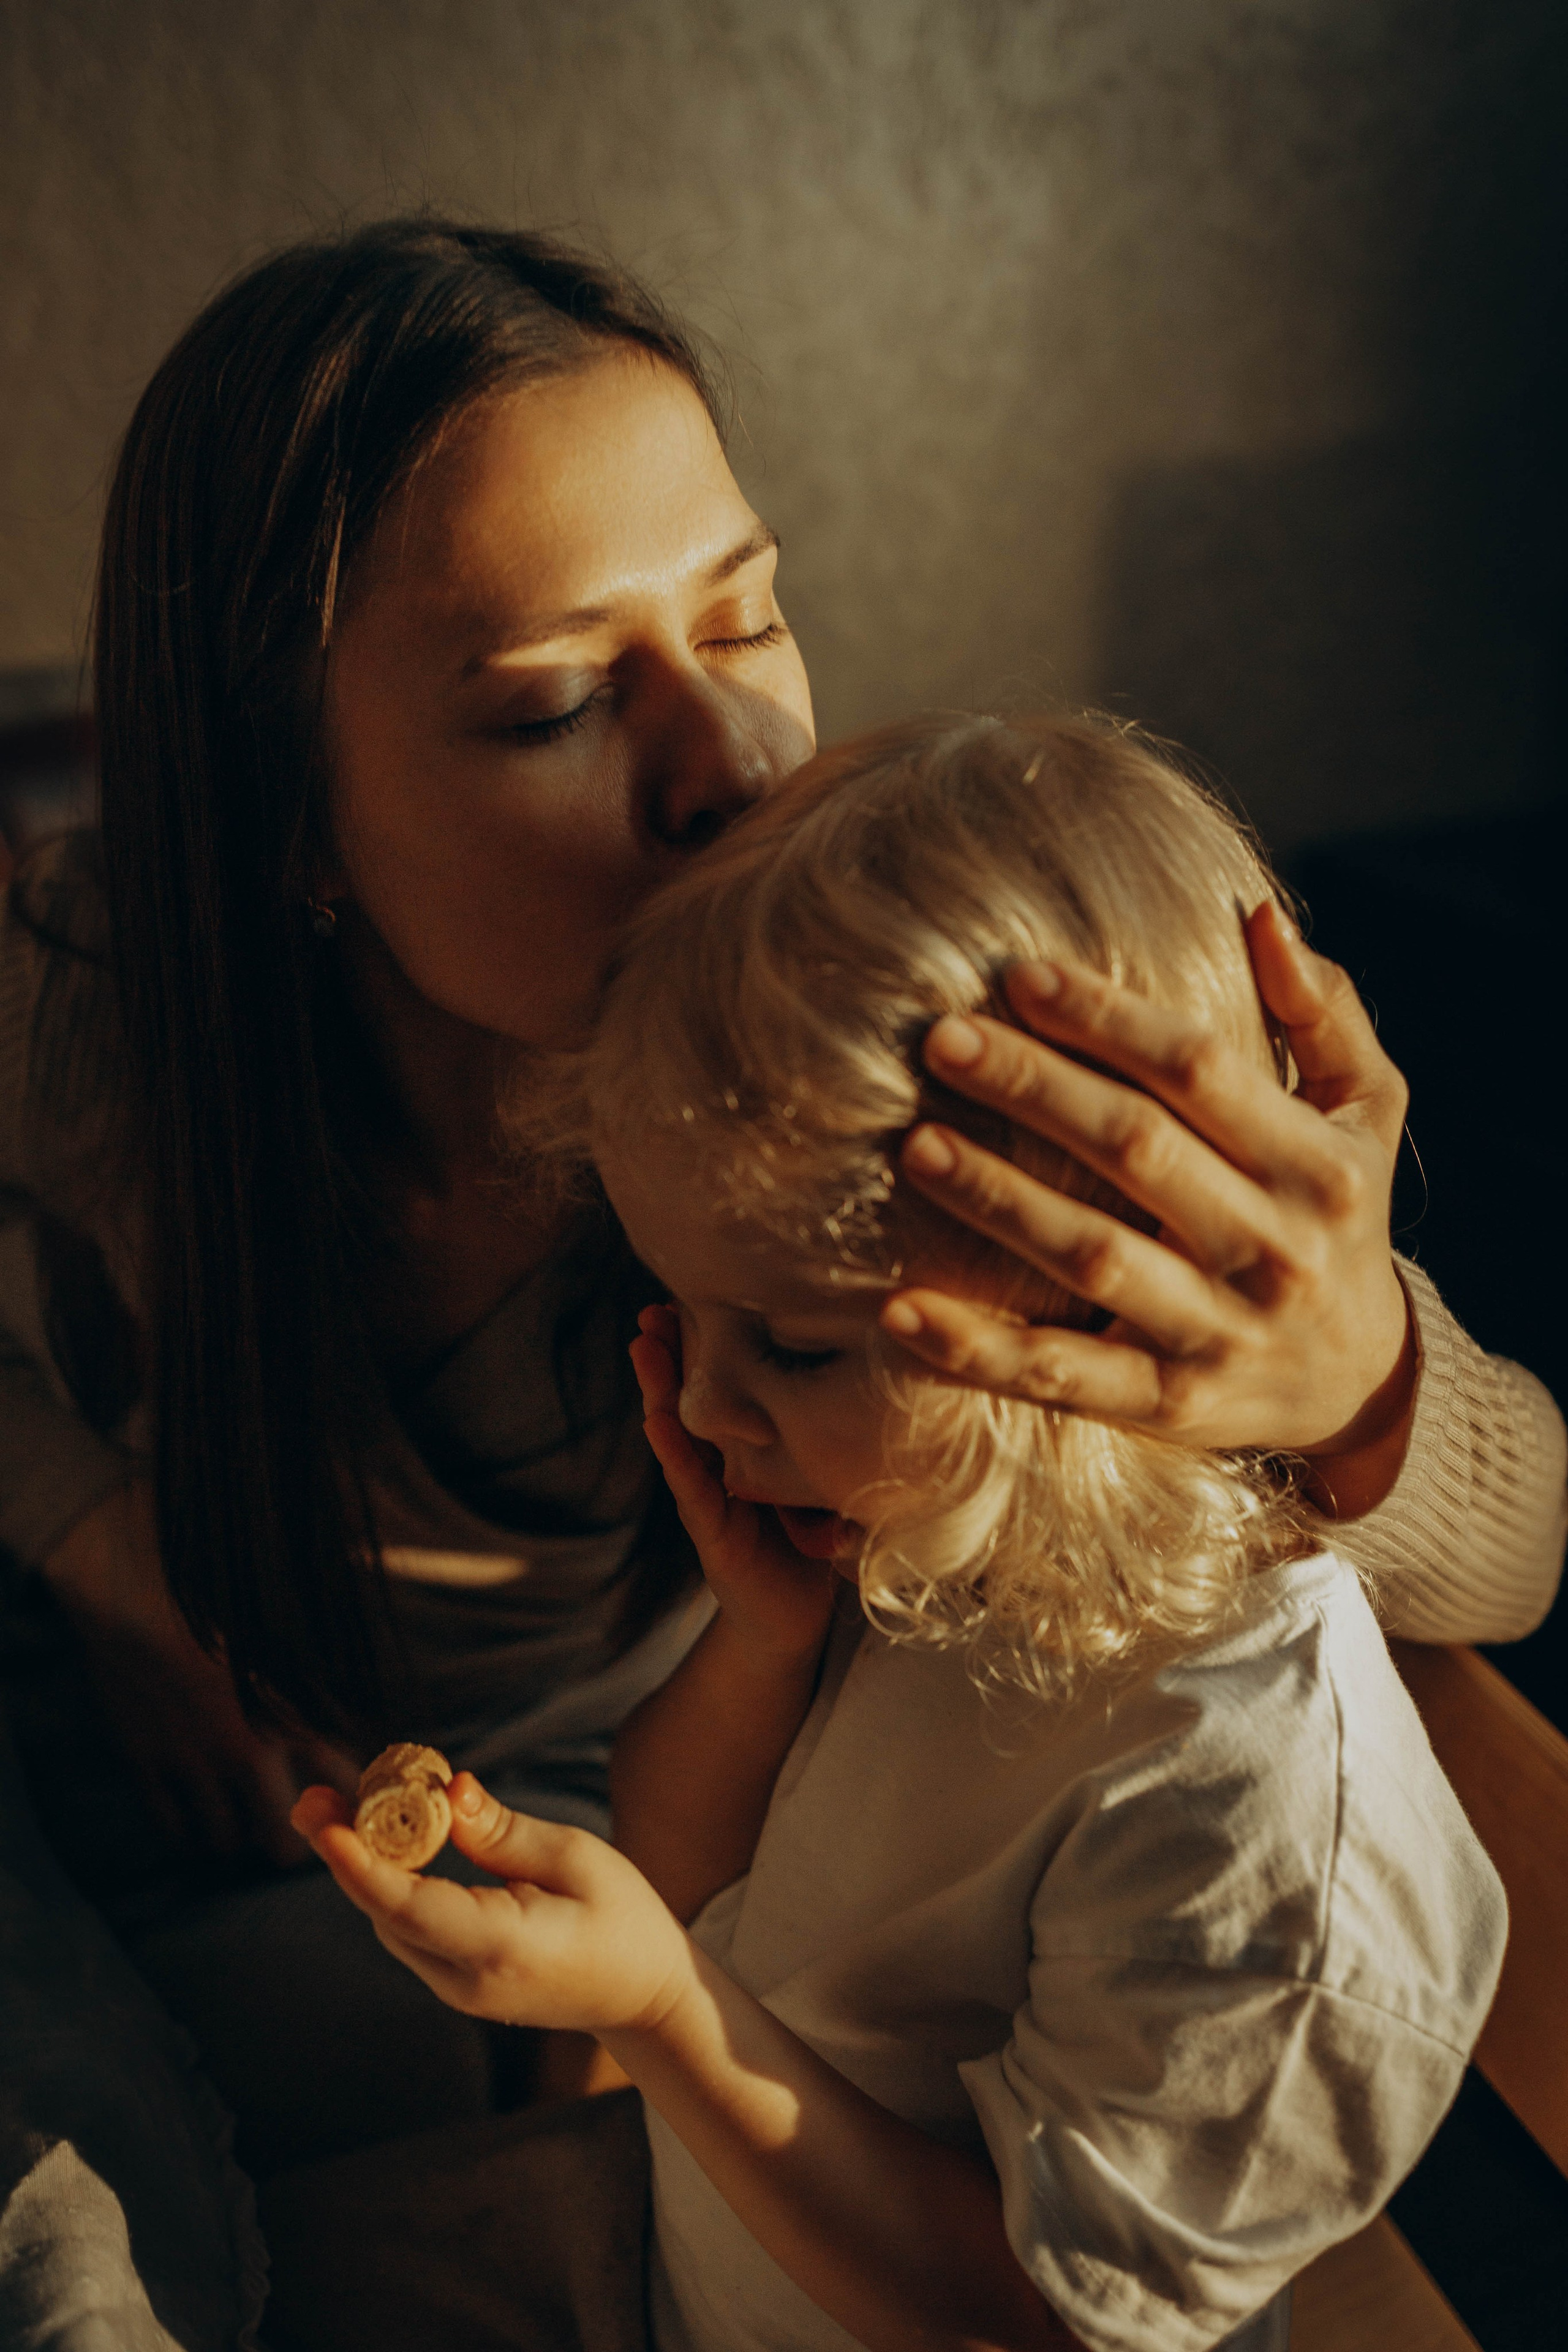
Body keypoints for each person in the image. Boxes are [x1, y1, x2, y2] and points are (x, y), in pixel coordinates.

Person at [0, 219, 1561, 2343]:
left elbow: (1511, 1550)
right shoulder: (92, 1009)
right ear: (289, 824)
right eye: (552, 700)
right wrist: (86, 1526)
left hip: (617, 1850)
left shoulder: (873, 1097)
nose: (728, 756)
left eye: (751, 614)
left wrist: (1354, 1373)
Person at [279, 714, 1509, 2352]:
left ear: (1102, 1280)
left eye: (790, 1343)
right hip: (696, 2267)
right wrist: (763, 1645)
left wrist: (660, 2010)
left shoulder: (1263, 1827)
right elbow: (689, 1867)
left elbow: (1027, 2315)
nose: (702, 1401)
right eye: (681, 1310)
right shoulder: (938, 1525)